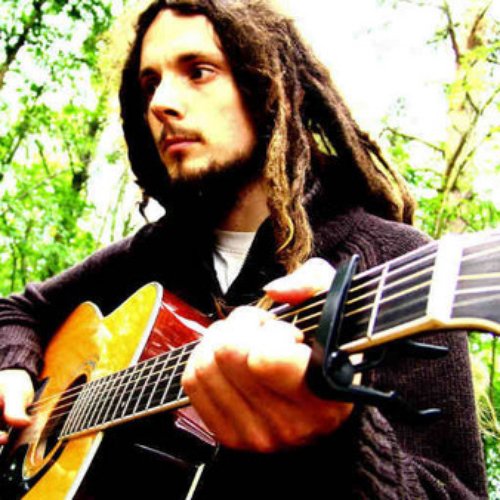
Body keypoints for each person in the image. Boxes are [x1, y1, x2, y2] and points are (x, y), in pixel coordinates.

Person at [0, 0, 488, 498]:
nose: (161, 102)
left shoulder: (399, 260)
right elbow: (16, 310)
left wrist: (341, 440)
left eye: (199, 71)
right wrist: (12, 368)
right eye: (150, 84)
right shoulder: (148, 255)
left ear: (269, 87)